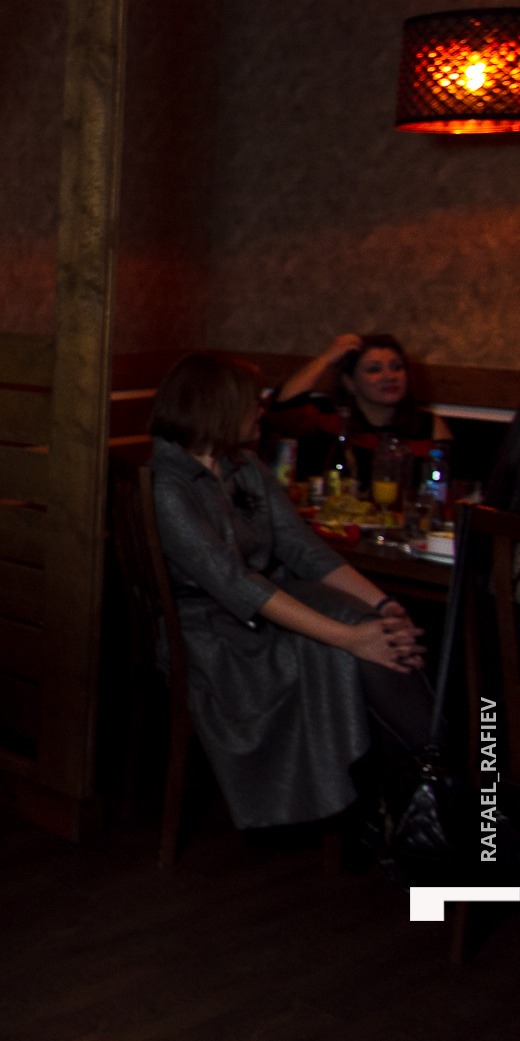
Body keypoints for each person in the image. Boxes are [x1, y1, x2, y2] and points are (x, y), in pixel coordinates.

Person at [148, 353, 432, 832]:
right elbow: (237, 585)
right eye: (251, 401)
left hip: (265, 607)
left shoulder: (245, 466)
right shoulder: (168, 485)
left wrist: (383, 605)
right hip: (212, 634)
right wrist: (351, 639)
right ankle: (426, 793)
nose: (261, 409)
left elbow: (305, 550)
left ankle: (421, 791)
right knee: (351, 647)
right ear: (217, 406)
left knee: (379, 634)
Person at [268, 332, 452, 485]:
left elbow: (450, 486)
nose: (390, 376)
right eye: (374, 369)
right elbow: (281, 406)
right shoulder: (325, 415)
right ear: (349, 382)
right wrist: (327, 357)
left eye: (397, 367)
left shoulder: (428, 425)